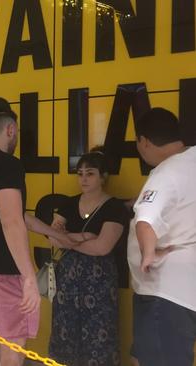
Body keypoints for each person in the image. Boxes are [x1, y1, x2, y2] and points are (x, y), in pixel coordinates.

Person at [0, 111, 73, 366]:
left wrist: (54, 233)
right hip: (2, 272)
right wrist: (29, 278)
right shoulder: (8, 164)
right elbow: (10, 221)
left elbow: (15, 214)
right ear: (10, 130)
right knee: (12, 351)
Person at [47, 148, 129, 366]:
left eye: (90, 173)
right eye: (80, 173)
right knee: (65, 330)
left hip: (99, 282)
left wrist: (68, 241)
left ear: (103, 177)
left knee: (99, 333)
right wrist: (83, 236)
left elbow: (103, 246)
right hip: (67, 281)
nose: (83, 179)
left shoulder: (114, 207)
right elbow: (53, 238)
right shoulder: (68, 203)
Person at [127, 108, 196, 366]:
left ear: (144, 141)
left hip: (164, 292)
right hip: (188, 290)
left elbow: (146, 219)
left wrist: (148, 253)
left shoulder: (166, 172)